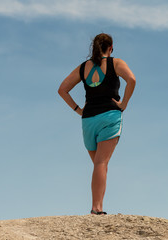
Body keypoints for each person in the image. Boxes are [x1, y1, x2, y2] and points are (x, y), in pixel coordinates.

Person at [58, 33, 136, 215]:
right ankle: (97, 209)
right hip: (109, 116)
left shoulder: (83, 67)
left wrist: (78, 110)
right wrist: (124, 103)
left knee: (99, 165)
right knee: (101, 163)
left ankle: (98, 206)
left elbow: (62, 89)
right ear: (111, 48)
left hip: (88, 120)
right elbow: (131, 80)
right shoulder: (116, 63)